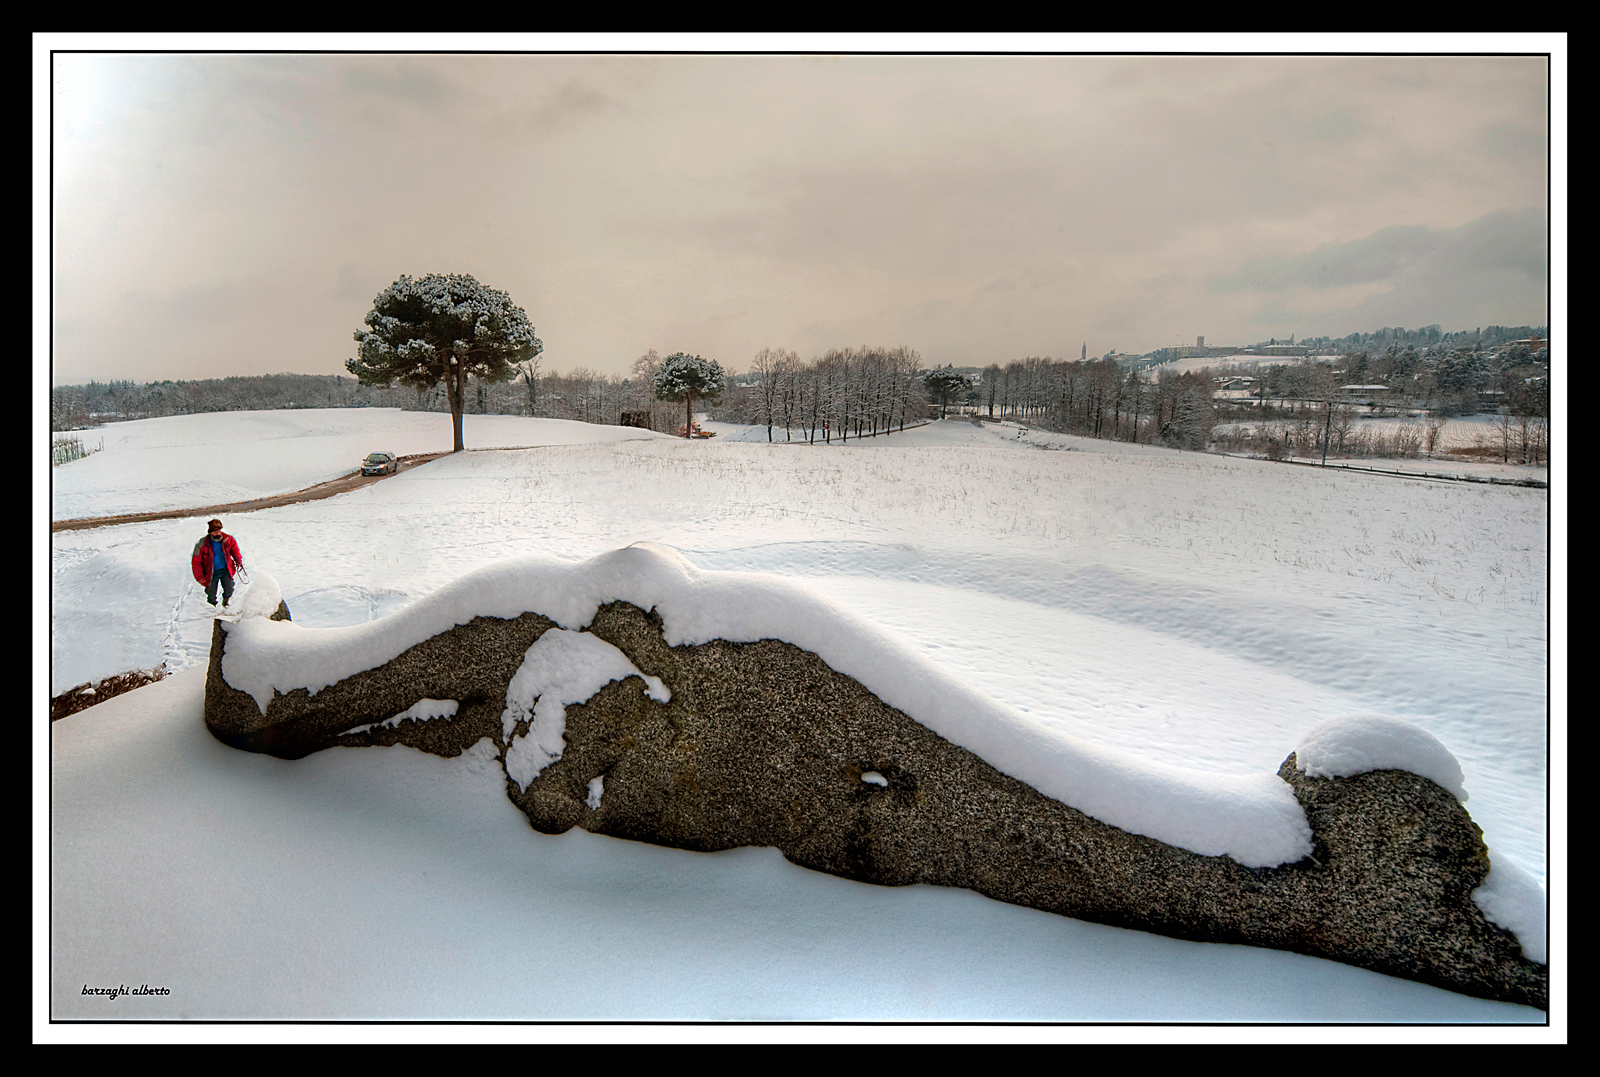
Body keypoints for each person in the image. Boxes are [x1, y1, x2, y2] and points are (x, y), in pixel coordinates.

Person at [191, 518, 245, 609]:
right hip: (211, 572)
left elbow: (235, 550)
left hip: (226, 570)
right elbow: (196, 562)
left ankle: (225, 602)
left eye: (219, 531)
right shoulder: (201, 544)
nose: (218, 534)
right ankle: (213, 607)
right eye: (215, 532)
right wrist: (200, 577)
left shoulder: (228, 539)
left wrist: (238, 560)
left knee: (229, 588)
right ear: (210, 532)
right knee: (211, 592)